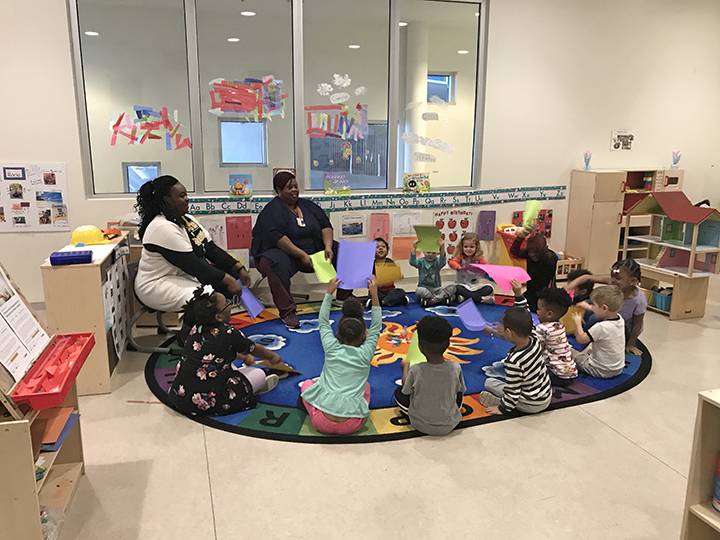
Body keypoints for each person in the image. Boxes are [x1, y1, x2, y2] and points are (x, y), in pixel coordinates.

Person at [135, 176, 250, 324]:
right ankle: (193, 335)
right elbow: (194, 265)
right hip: (157, 285)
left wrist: (238, 267)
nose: (187, 199)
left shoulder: (186, 219)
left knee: (223, 284)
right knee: (212, 301)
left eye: (186, 195)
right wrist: (228, 280)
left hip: (179, 277)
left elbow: (210, 249)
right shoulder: (161, 227)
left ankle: (192, 331)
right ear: (167, 200)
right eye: (181, 196)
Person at [251, 171, 352, 329]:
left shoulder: (307, 205)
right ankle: (288, 311)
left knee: (345, 251)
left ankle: (344, 296)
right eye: (289, 187)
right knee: (273, 262)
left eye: (296, 186)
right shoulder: (271, 210)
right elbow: (278, 238)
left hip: (313, 249)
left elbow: (325, 226)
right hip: (285, 252)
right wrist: (301, 254)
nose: (294, 190)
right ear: (278, 190)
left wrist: (327, 246)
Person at [168, 287, 281, 416]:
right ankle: (251, 388)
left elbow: (219, 352)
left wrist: (244, 358)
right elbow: (253, 349)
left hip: (181, 397)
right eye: (227, 304)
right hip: (210, 401)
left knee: (219, 365)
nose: (229, 305)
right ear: (219, 317)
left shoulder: (196, 328)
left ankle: (246, 383)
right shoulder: (228, 332)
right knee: (259, 373)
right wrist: (272, 356)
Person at [298, 277, 382, 435]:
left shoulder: (331, 347)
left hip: (321, 422)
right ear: (364, 336)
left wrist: (329, 292)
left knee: (307, 385)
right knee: (366, 387)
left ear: (337, 335)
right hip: (353, 424)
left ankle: (314, 408)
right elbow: (376, 326)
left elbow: (323, 322)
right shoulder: (366, 352)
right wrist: (374, 295)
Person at [394, 316, 466, 436]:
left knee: (398, 392)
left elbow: (405, 389)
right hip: (450, 423)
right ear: (448, 344)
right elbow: (460, 390)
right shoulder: (455, 367)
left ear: (420, 347)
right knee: (458, 393)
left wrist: (405, 367)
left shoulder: (416, 369)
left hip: (420, 424)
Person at [477, 305, 552, 415]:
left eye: (503, 326)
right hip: (545, 396)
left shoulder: (514, 361)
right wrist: (496, 331)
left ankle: (501, 403)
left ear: (509, 332)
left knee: (489, 383)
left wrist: (502, 409)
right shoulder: (534, 337)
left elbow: (513, 390)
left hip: (530, 404)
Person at [566, 258, 646, 354]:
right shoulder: (615, 283)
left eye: (618, 278)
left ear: (633, 280)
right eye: (612, 277)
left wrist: (630, 344)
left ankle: (586, 338)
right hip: (609, 317)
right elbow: (586, 277)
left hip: (621, 329)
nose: (613, 280)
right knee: (588, 303)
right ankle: (587, 332)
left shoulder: (639, 301)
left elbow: (637, 325)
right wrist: (564, 290)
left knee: (594, 317)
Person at [571, 285, 626, 378]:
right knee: (594, 341)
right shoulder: (620, 319)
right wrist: (588, 307)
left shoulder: (601, 327)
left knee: (569, 351)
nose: (592, 307)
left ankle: (580, 357)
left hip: (599, 370)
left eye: (593, 305)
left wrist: (577, 322)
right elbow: (602, 310)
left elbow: (581, 339)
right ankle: (583, 355)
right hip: (617, 369)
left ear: (604, 308)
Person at [535, 287, 576, 385]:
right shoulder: (559, 325)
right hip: (570, 373)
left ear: (549, 314)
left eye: (539, 309)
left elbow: (527, 341)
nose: (537, 312)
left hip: (556, 374)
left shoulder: (543, 329)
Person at [510, 229, 557, 312]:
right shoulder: (529, 254)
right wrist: (520, 237)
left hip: (546, 293)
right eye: (530, 252)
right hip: (531, 291)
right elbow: (514, 252)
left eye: (535, 252)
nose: (532, 255)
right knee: (518, 308)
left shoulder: (550, 258)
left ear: (545, 249)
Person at [448, 232, 494, 304]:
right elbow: (452, 262)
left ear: (476, 247)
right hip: (462, 284)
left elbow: (487, 266)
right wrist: (458, 267)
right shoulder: (460, 257)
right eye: (466, 247)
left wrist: (484, 270)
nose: (468, 249)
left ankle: (467, 297)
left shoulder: (478, 258)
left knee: (489, 288)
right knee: (457, 288)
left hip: (475, 286)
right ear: (462, 247)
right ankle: (480, 299)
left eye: (471, 247)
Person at [409, 238, 455, 307]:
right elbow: (412, 262)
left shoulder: (437, 262)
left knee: (453, 288)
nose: (430, 255)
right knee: (419, 290)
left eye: (433, 253)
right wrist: (414, 248)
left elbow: (442, 261)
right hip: (424, 288)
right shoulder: (421, 261)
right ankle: (440, 299)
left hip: (437, 289)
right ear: (424, 252)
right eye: (428, 252)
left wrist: (442, 248)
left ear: (437, 253)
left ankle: (432, 300)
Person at [368, 237, 408, 308]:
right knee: (372, 294)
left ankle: (382, 302)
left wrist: (399, 276)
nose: (381, 248)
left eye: (383, 246)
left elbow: (395, 275)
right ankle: (391, 301)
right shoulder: (371, 264)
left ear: (387, 251)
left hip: (390, 290)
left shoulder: (390, 262)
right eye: (377, 247)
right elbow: (369, 280)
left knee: (400, 292)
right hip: (378, 290)